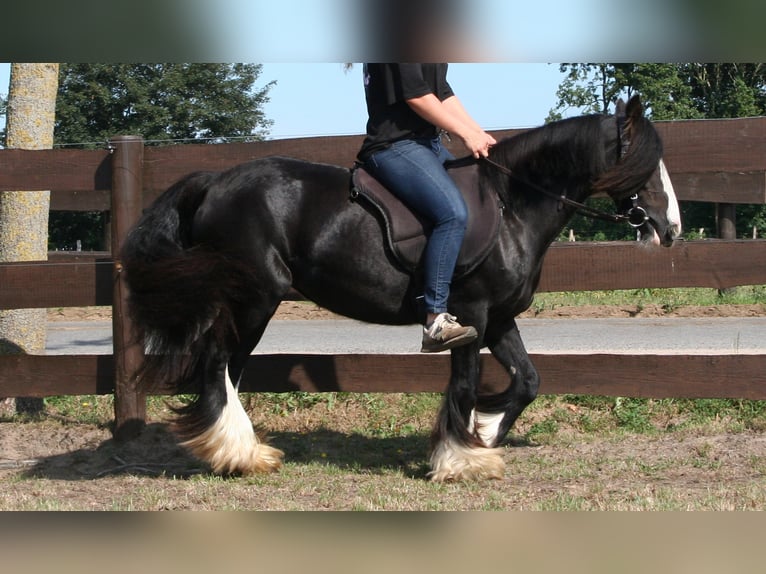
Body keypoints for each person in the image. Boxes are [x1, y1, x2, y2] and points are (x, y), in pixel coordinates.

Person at [357, 63, 497, 353]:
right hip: (394, 146)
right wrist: (463, 133)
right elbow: (416, 96)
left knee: (480, 200)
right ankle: (435, 320)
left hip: (428, 144)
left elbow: (442, 92)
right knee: (452, 214)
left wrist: (477, 132)